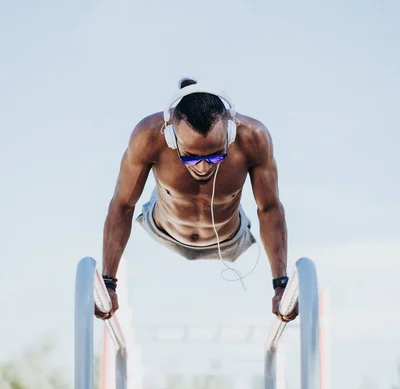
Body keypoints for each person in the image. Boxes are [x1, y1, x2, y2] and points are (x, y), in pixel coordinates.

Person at [98, 78, 297, 323]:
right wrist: (108, 282)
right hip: (164, 227)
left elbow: (269, 208)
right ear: (171, 137)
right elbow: (123, 204)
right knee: (153, 195)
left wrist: (281, 285)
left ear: (230, 133)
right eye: (190, 157)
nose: (203, 168)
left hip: (229, 238)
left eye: (215, 156)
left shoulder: (253, 138)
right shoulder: (149, 135)